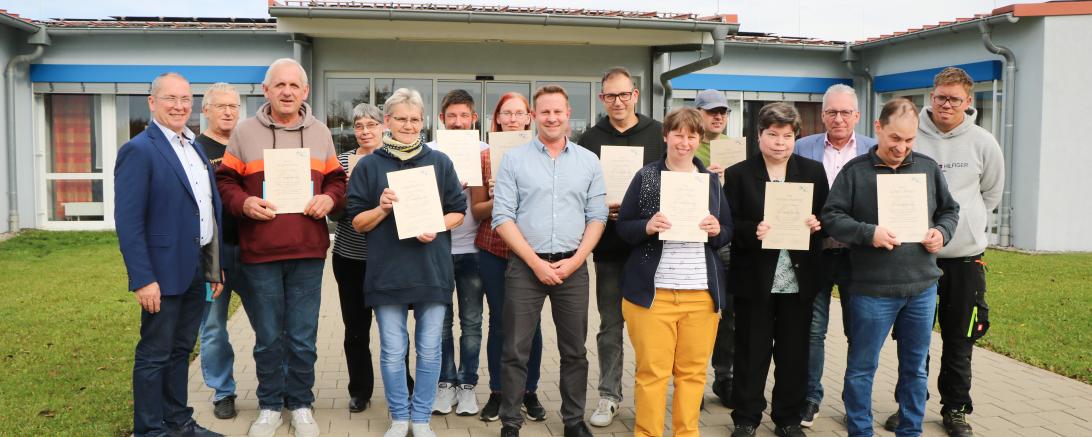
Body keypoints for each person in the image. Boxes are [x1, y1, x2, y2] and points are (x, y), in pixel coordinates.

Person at [216, 58, 346, 437]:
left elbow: (338, 181)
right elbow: (225, 183)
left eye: (295, 85)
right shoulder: (243, 133)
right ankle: (270, 406)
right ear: (266, 90)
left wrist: (329, 200)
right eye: (280, 85)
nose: (287, 92)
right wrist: (243, 204)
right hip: (260, 254)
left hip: (307, 253)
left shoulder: (320, 132)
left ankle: (302, 404)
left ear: (306, 92)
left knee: (303, 336)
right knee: (268, 338)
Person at [822, 98, 960, 437]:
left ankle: (911, 431)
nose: (901, 148)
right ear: (878, 129)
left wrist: (940, 233)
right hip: (871, 290)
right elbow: (832, 217)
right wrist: (869, 233)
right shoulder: (855, 171)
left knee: (915, 369)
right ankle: (860, 431)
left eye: (909, 140)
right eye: (895, 139)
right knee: (861, 369)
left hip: (922, 288)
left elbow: (949, 211)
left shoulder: (927, 168)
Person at [883, 67, 1003, 437]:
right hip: (916, 257)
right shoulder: (912, 136)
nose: (945, 105)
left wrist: (961, 227)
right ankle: (909, 406)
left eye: (954, 99)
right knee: (914, 340)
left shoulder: (983, 142)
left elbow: (991, 195)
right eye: (939, 97)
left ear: (968, 102)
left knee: (959, 338)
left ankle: (954, 409)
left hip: (964, 260)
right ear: (930, 97)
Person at [346, 88, 467, 437]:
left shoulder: (439, 162)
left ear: (423, 121)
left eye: (415, 119)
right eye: (401, 118)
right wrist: (382, 208)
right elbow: (356, 222)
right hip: (387, 272)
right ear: (388, 121)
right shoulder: (369, 166)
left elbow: (457, 211)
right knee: (393, 349)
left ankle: (422, 419)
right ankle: (400, 418)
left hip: (431, 270)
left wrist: (435, 224)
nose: (409, 125)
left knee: (430, 351)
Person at [493, 85, 607, 437]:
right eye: (545, 112)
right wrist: (535, 263)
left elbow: (597, 217)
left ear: (568, 114)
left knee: (574, 351)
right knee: (515, 349)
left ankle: (574, 421)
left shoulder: (589, 161)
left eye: (558, 111)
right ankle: (510, 423)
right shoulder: (514, 159)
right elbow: (502, 217)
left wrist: (576, 261)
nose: (552, 118)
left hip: (573, 267)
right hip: (525, 266)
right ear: (533, 117)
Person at [116, 72, 224, 437]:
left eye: (185, 99)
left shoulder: (193, 146)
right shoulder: (139, 150)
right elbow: (129, 222)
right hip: (161, 274)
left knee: (181, 350)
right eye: (170, 99)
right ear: (152, 102)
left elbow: (206, 210)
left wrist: (213, 269)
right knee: (155, 353)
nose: (179, 106)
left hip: (196, 269)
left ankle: (179, 422)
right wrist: (143, 279)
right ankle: (150, 430)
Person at [615, 107, 733, 437]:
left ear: (699, 139)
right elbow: (624, 227)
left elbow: (727, 231)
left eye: (691, 135)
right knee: (652, 373)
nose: (684, 141)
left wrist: (715, 229)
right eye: (678, 134)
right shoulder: (647, 177)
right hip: (653, 296)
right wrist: (648, 226)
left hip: (701, 295)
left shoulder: (710, 181)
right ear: (666, 136)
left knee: (693, 374)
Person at [723, 102, 828, 437]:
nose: (779, 142)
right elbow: (728, 223)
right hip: (755, 276)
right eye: (772, 134)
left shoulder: (812, 172)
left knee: (793, 350)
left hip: (798, 276)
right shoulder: (740, 173)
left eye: (787, 135)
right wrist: (753, 229)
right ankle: (746, 417)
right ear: (759, 136)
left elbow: (827, 219)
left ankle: (787, 418)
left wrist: (816, 223)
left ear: (796, 136)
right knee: (751, 349)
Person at [576, 67, 666, 427]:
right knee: (610, 324)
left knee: (652, 327)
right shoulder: (589, 139)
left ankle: (651, 394)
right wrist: (600, 207)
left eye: (623, 94)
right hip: (610, 247)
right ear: (602, 99)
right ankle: (609, 396)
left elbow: (675, 178)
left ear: (635, 95)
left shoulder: (658, 133)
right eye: (610, 96)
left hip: (652, 247)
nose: (617, 102)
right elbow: (580, 189)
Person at [792, 83, 877, 427]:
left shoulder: (874, 149)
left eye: (845, 112)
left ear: (857, 115)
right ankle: (810, 397)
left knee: (860, 331)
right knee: (813, 330)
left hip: (861, 256)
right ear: (822, 114)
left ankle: (855, 403)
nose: (838, 118)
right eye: (831, 112)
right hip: (816, 252)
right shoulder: (802, 147)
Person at [472, 92, 548, 422]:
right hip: (494, 250)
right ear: (498, 119)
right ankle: (499, 391)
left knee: (533, 326)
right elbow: (477, 211)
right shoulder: (485, 157)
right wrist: (500, 194)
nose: (513, 119)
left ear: (529, 118)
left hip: (532, 251)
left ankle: (528, 391)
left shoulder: (545, 155)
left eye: (519, 113)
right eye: (507, 114)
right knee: (501, 324)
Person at [428, 89, 488, 417]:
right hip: (437, 249)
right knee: (440, 321)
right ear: (441, 119)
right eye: (452, 116)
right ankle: (445, 382)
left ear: (474, 119)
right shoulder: (429, 152)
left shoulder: (485, 152)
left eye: (464, 116)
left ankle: (467, 384)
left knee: (473, 321)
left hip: (473, 249)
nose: (458, 121)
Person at [194, 82, 246, 421]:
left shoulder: (247, 144)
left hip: (253, 249)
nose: (228, 112)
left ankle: (278, 388)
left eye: (234, 106)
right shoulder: (195, 149)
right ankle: (222, 391)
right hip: (212, 253)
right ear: (206, 110)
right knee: (213, 327)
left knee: (271, 326)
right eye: (221, 106)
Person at [330, 103, 385, 413]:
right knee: (355, 328)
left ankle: (401, 383)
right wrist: (346, 194)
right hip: (350, 256)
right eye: (360, 125)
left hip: (387, 257)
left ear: (383, 127)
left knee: (393, 328)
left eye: (371, 125)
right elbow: (336, 215)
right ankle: (360, 390)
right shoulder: (342, 162)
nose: (365, 131)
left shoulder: (393, 160)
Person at [692, 88, 737, 407]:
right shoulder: (688, 149)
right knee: (698, 313)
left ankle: (725, 377)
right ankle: (690, 380)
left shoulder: (737, 149)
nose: (718, 116)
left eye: (723, 112)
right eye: (711, 112)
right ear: (698, 115)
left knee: (729, 317)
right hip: (696, 242)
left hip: (729, 240)